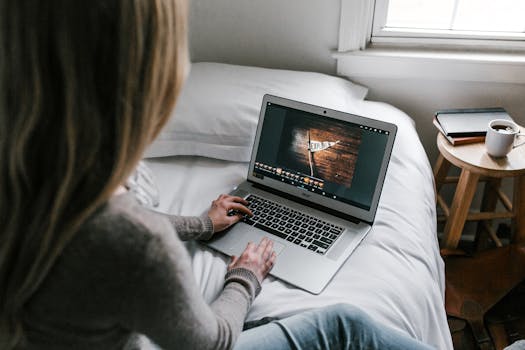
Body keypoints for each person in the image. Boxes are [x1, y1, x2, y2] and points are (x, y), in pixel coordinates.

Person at [0, 1, 433, 349]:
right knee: (346, 326)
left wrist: (203, 225)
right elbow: (213, 341)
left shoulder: (30, 179)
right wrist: (246, 275)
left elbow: (96, 227)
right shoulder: (137, 244)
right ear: (146, 81)